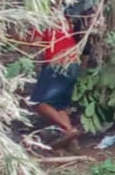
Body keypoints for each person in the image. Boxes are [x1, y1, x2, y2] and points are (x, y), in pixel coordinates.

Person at [26, 16, 84, 149]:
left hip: (58, 62)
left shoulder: (41, 20)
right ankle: (73, 143)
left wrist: (22, 39)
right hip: (73, 62)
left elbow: (36, 43)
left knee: (38, 102)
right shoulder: (63, 18)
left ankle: (69, 130)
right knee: (58, 105)